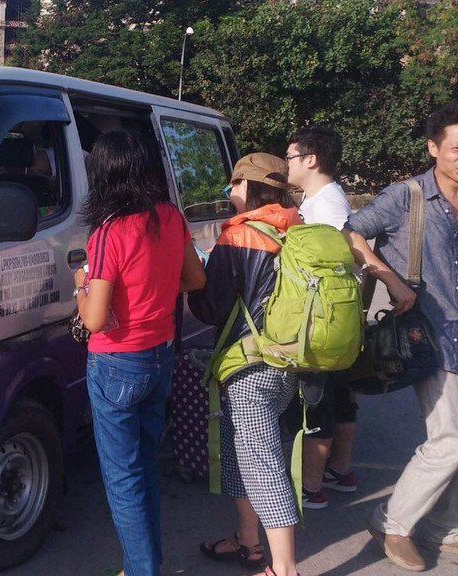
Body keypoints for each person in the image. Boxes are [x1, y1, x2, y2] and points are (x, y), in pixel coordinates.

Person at [73, 130, 205, 576]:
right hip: (159, 353)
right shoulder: (169, 216)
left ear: (103, 176)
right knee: (144, 464)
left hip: (116, 362)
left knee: (122, 477)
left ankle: (143, 570)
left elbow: (93, 319)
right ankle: (142, 564)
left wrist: (80, 286)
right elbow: (195, 279)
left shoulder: (109, 233)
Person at [346, 101, 458, 572]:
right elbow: (350, 232)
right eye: (457, 147)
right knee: (451, 441)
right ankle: (391, 521)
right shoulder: (408, 196)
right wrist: (391, 278)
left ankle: (447, 525)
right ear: (433, 148)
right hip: (430, 338)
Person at [190, 153, 303, 576]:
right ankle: (248, 542)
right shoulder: (294, 227)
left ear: (249, 187)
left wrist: (196, 277)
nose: (229, 193)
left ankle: (285, 568)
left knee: (262, 461)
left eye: (233, 185)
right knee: (240, 452)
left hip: (249, 365)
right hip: (287, 361)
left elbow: (211, 306)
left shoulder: (240, 237)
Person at [282, 124, 359, 511]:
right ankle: (340, 471)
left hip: (322, 320)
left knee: (317, 402)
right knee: (340, 394)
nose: (287, 164)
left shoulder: (325, 205)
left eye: (291, 156)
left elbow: (330, 263)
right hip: (337, 319)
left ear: (311, 160)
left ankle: (312, 486)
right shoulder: (326, 198)